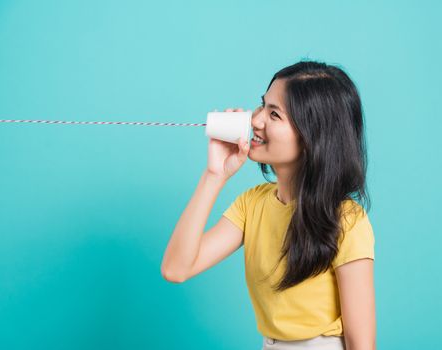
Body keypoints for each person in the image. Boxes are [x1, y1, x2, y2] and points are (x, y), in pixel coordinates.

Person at [161, 60, 376, 350]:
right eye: (262, 105)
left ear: (313, 137)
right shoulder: (253, 204)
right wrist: (214, 175)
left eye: (274, 114)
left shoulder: (347, 220)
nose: (256, 120)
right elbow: (176, 269)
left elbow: (361, 344)